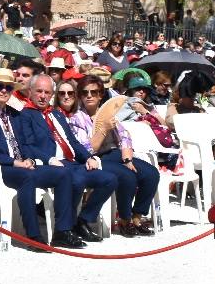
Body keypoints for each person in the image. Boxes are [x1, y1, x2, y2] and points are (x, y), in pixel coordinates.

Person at [0, 69, 81, 249]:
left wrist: (30, 160)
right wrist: (13, 162)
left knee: (63, 173)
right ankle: (33, 236)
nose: (4, 90)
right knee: (28, 178)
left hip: (23, 165)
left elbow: (26, 144)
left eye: (8, 87)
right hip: (0, 168)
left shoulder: (16, 114)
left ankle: (62, 231)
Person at [19, 74, 116, 243]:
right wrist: (49, 159)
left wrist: (88, 157)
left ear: (51, 95)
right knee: (76, 181)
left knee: (109, 179)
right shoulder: (25, 115)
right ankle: (64, 229)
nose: (43, 96)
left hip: (72, 162)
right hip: (52, 164)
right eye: (39, 91)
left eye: (47, 92)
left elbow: (72, 141)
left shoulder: (56, 114)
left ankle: (83, 220)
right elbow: (27, 146)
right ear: (30, 92)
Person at [65, 75, 158, 236]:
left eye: (94, 92)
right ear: (80, 95)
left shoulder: (107, 112)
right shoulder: (77, 119)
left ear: (101, 95)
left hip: (115, 154)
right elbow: (87, 149)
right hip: (95, 158)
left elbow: (124, 137)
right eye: (85, 92)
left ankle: (137, 216)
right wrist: (103, 129)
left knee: (151, 173)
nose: (89, 96)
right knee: (127, 176)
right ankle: (124, 219)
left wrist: (127, 158)